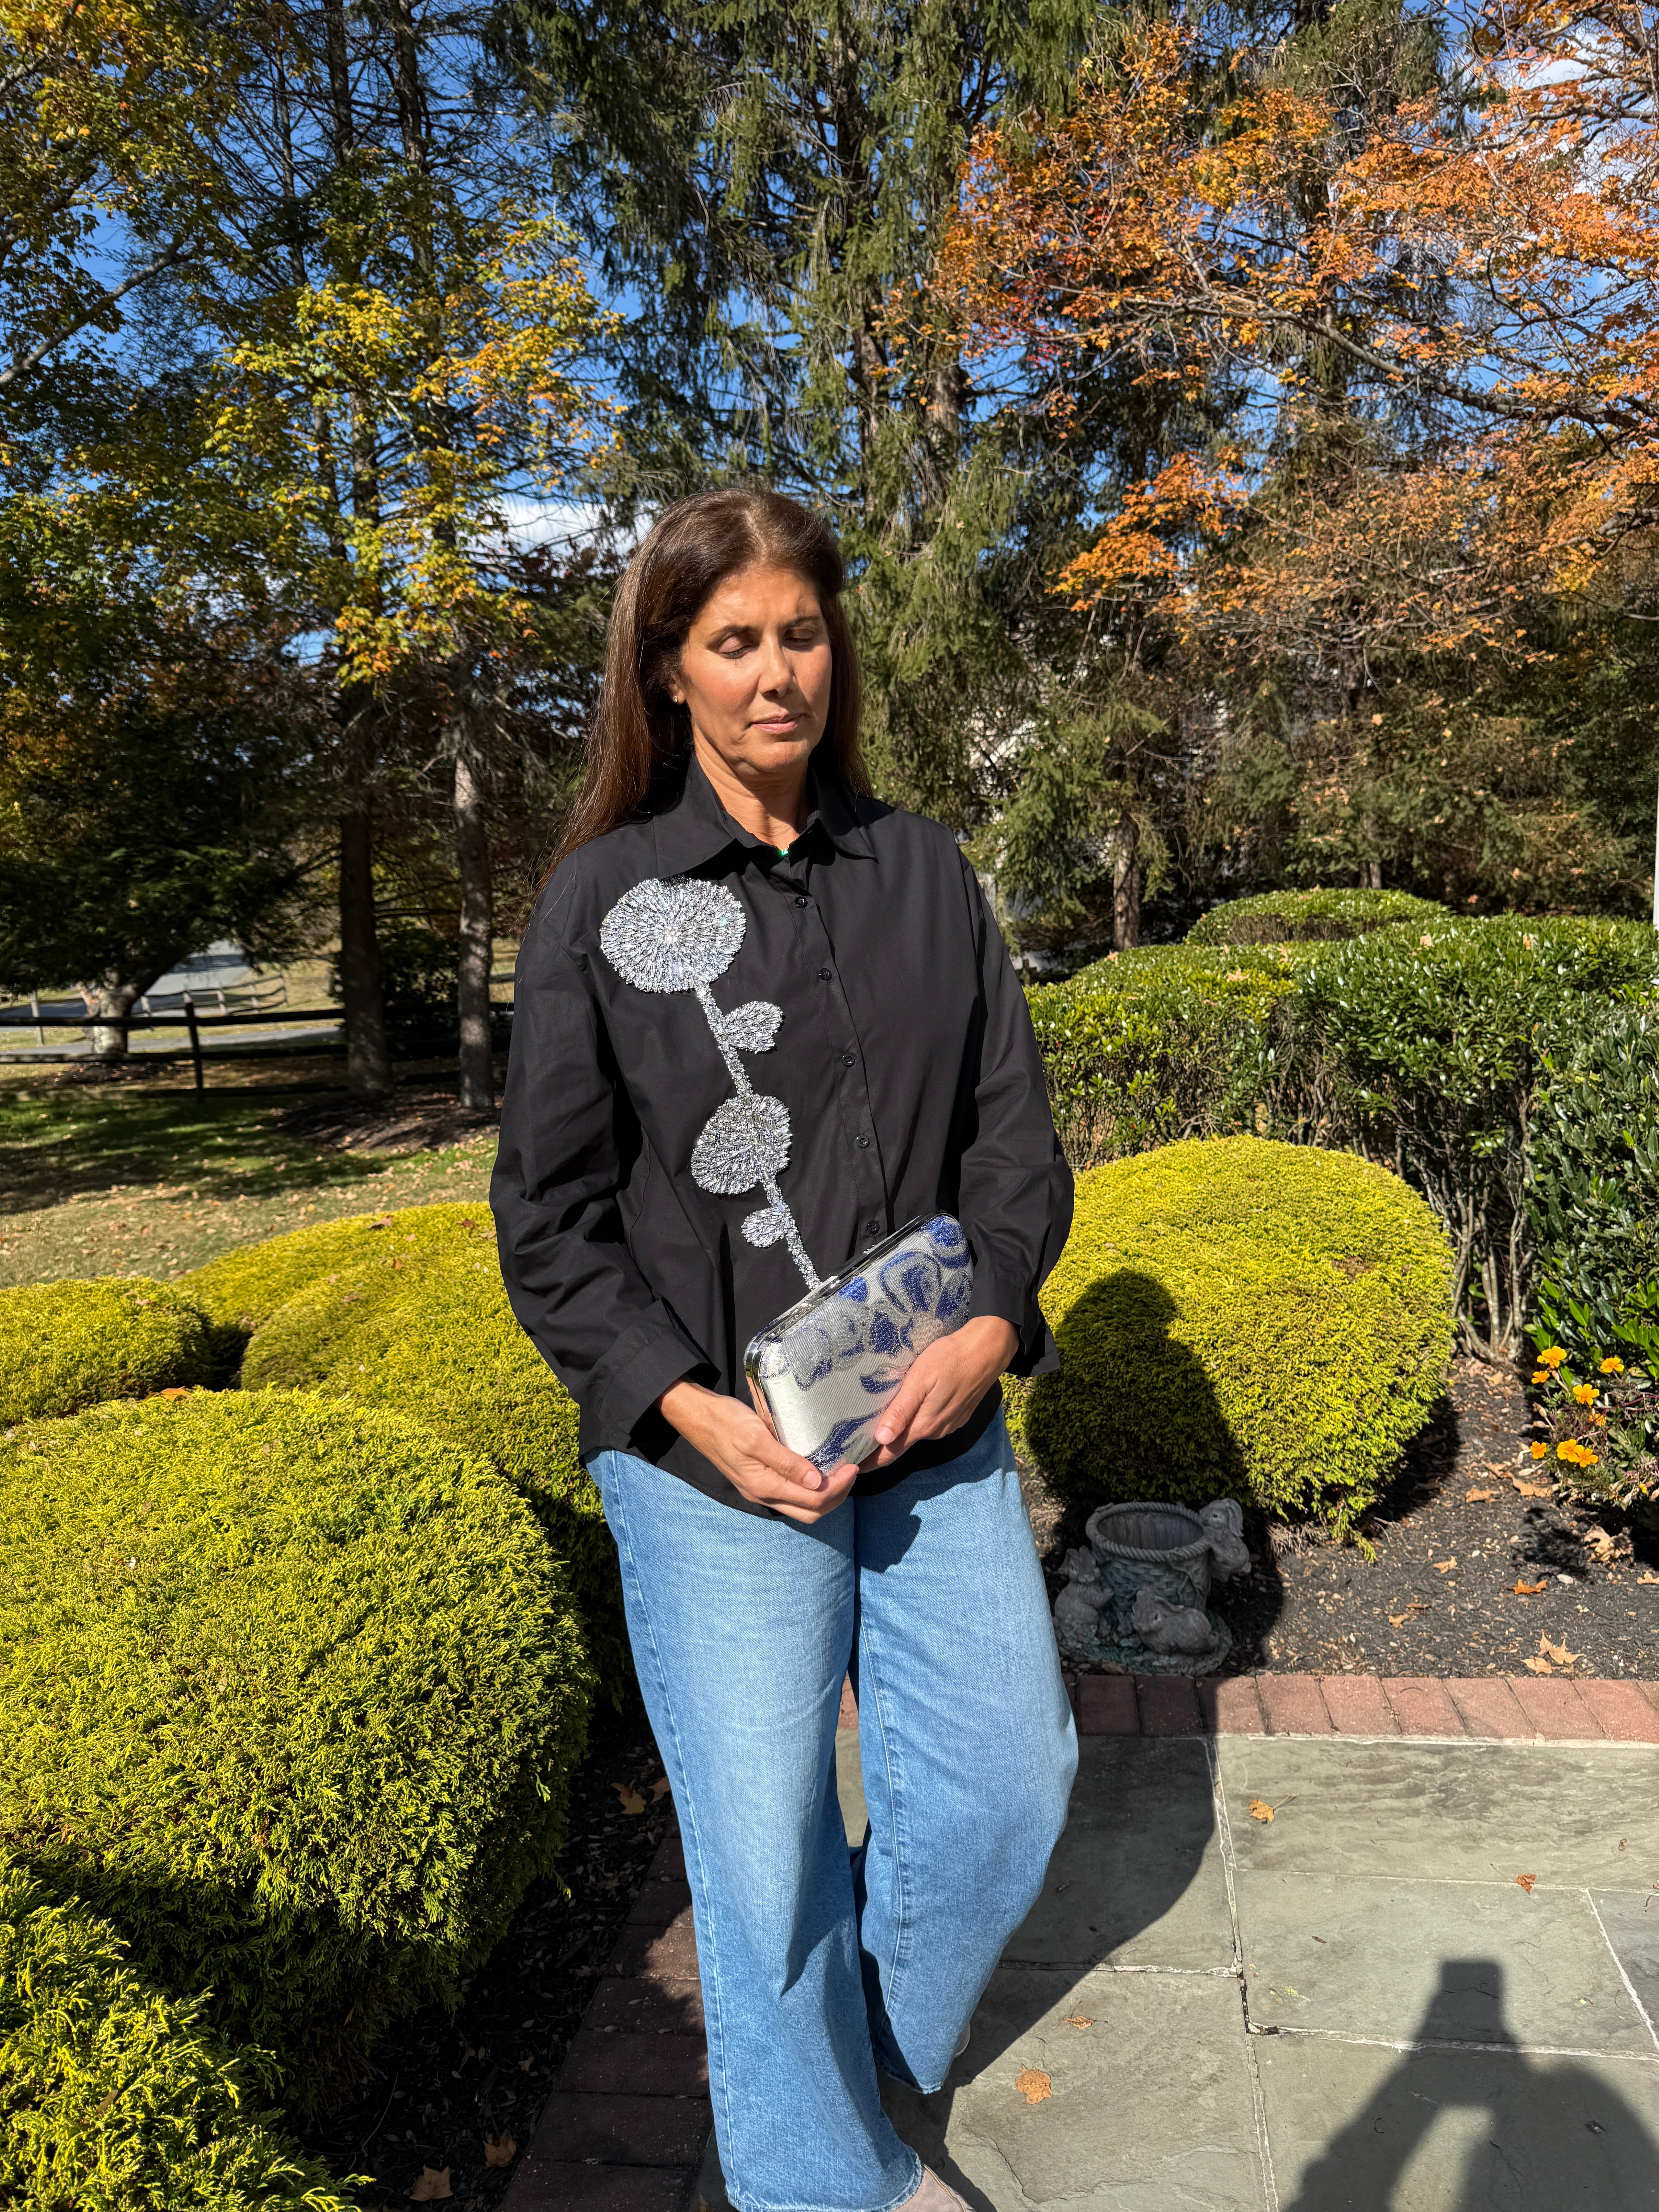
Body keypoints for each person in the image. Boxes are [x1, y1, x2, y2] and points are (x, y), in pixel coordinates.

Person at [492, 488, 1078, 2212]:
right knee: (764, 1877)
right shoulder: (604, 908)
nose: (775, 676)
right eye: (732, 642)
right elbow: (551, 1221)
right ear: (668, 671)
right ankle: (828, 2178)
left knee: (1003, 1797)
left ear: (839, 649)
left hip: (931, 1427)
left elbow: (1014, 1144)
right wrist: (686, 1410)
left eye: (800, 634)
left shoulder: (923, 875)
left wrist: (989, 1326)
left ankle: (868, 2046)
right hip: (712, 1472)